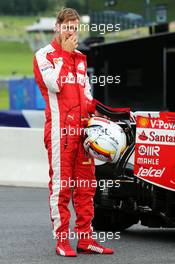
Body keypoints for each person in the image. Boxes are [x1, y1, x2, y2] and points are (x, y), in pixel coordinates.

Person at [33, 7, 130, 257]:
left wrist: (114, 113)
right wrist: (64, 55)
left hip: (83, 134)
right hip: (59, 133)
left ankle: (85, 239)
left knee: (86, 187)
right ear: (57, 27)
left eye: (75, 28)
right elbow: (54, 85)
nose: (71, 32)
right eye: (67, 27)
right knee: (62, 188)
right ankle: (62, 241)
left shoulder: (81, 58)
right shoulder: (43, 55)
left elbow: (87, 99)